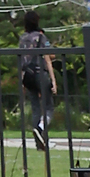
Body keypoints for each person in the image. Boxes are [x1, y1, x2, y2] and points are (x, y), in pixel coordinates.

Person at [18, 9, 57, 150]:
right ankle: (40, 129)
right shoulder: (41, 37)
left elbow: (21, 58)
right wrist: (53, 80)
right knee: (48, 108)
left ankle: (40, 143)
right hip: (40, 73)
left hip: (27, 76)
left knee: (35, 109)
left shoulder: (22, 38)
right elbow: (48, 56)